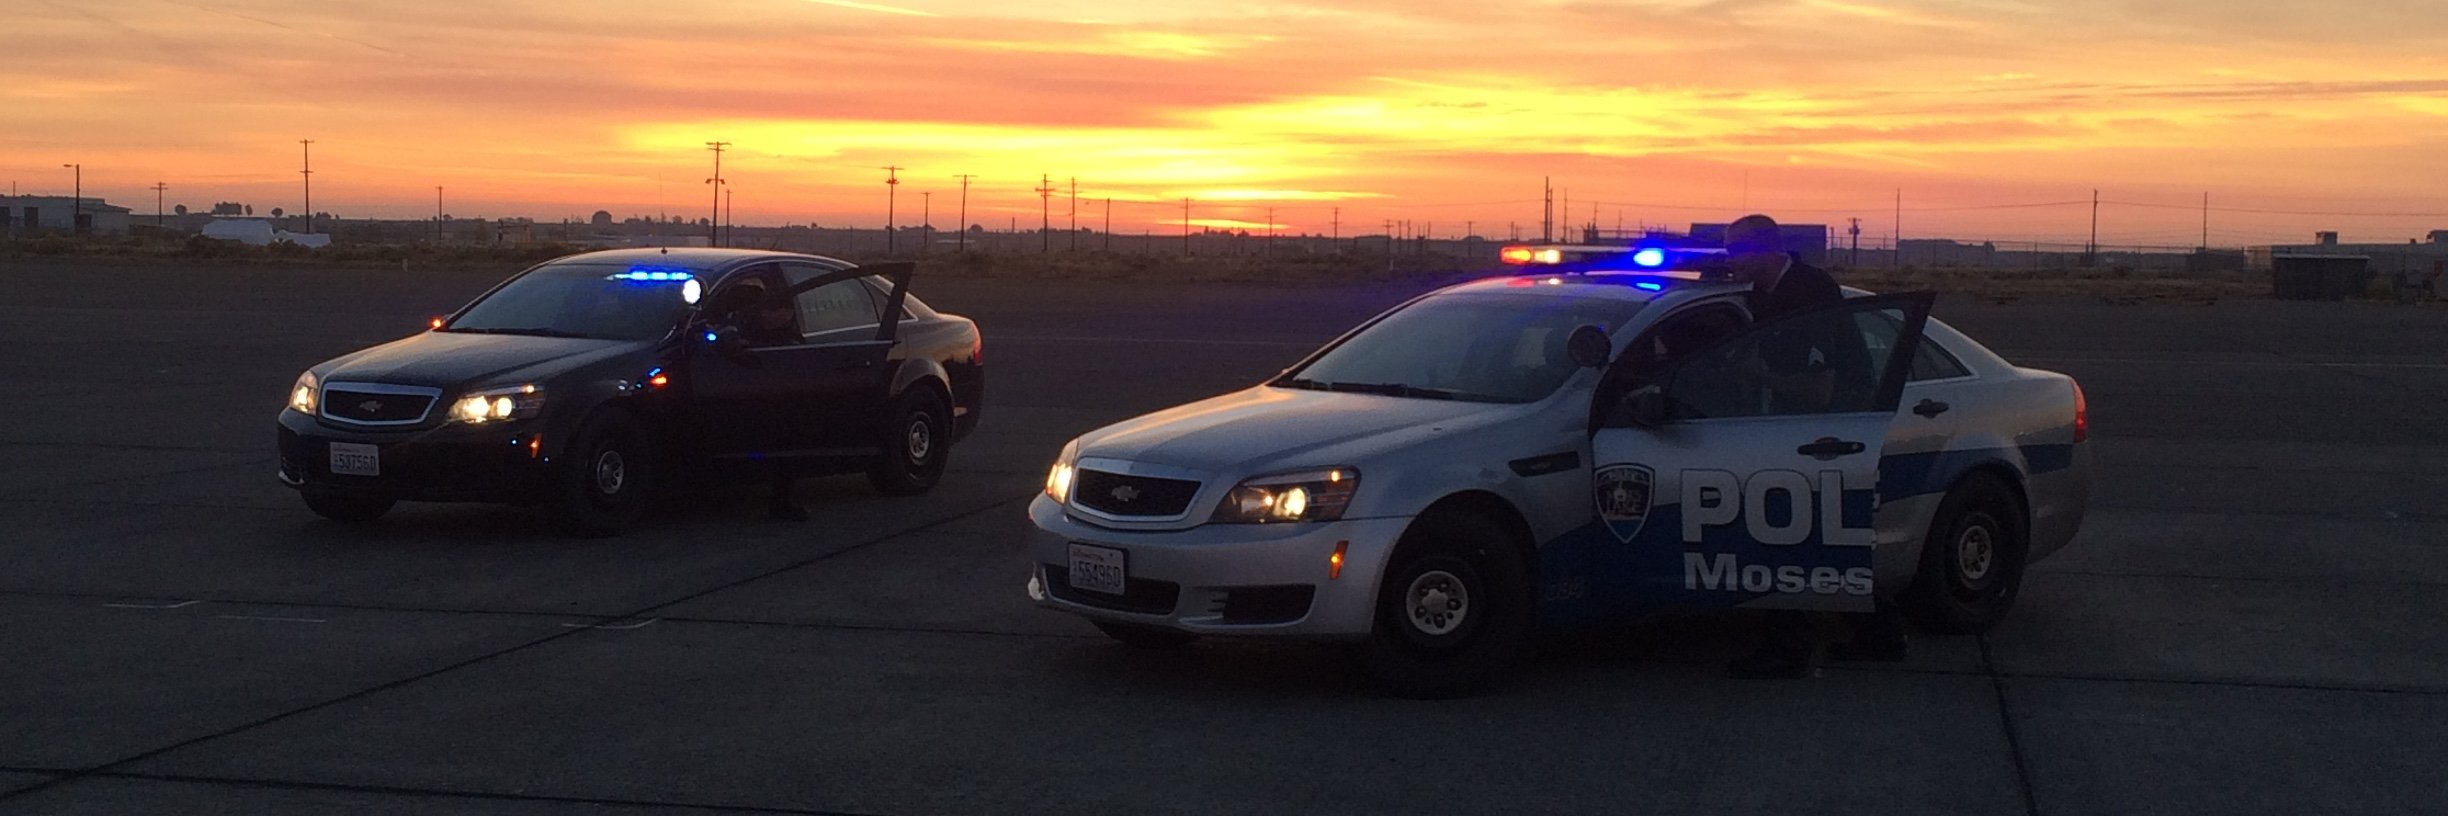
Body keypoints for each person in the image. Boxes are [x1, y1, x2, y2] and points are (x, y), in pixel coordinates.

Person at [1715, 214, 1911, 679]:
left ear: (1761, 250)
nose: (1728, 263)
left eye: (1733, 253)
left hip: (1829, 430)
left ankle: (1788, 650)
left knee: (1786, 536)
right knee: (1827, 539)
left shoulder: (1809, 293)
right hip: (1797, 427)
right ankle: (1880, 635)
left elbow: (1819, 390)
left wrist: (1757, 377)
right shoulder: (1762, 293)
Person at [709, 278, 813, 521]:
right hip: (745, 399)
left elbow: (793, 353)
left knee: (785, 443)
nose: (779, 315)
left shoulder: (787, 339)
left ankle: (782, 500)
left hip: (779, 398)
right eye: (769, 310)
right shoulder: (734, 330)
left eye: (780, 310)